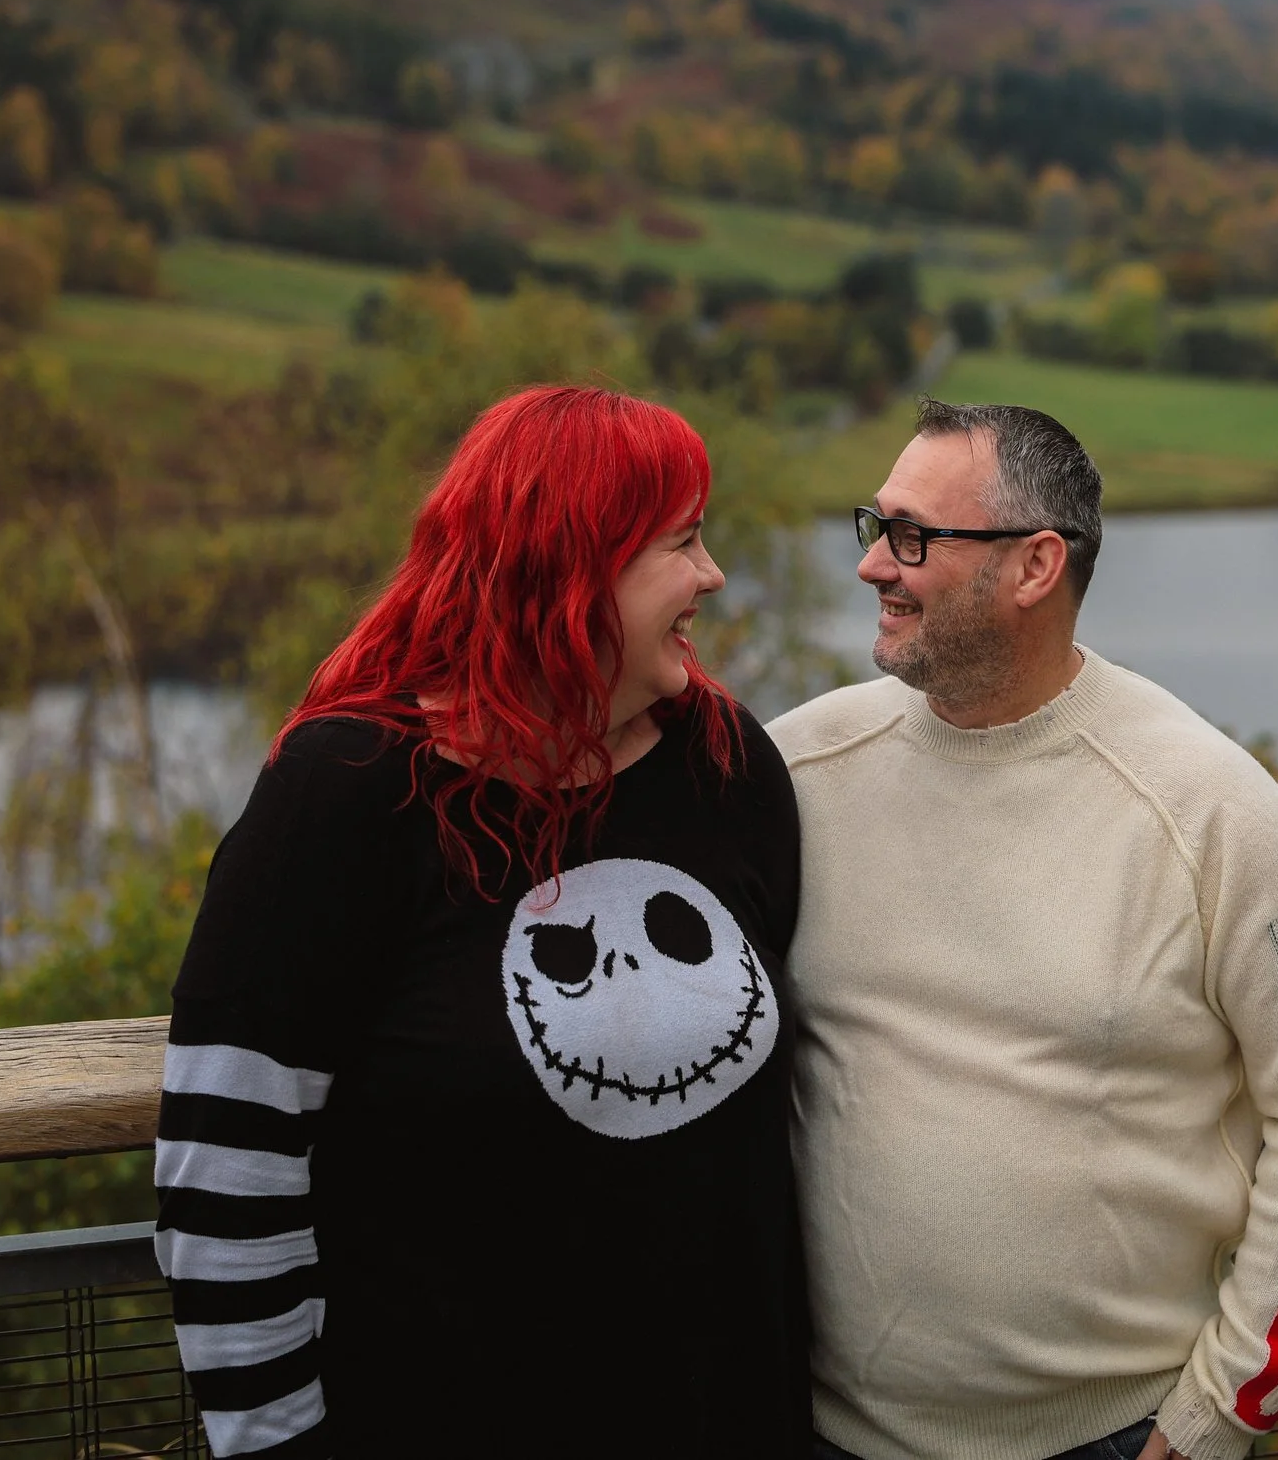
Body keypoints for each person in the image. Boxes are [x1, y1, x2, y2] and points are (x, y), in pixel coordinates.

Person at [152, 387, 810, 1459]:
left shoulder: (722, 761)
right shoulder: (348, 792)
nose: (712, 574)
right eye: (681, 542)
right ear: (571, 568)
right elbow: (229, 1164)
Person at [767, 399, 1278, 1460]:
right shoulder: (794, 768)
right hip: (821, 1428)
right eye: (872, 524)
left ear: (1033, 566)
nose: (876, 563)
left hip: (1109, 1439)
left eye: (914, 535)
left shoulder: (1214, 808)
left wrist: (1215, 1418)